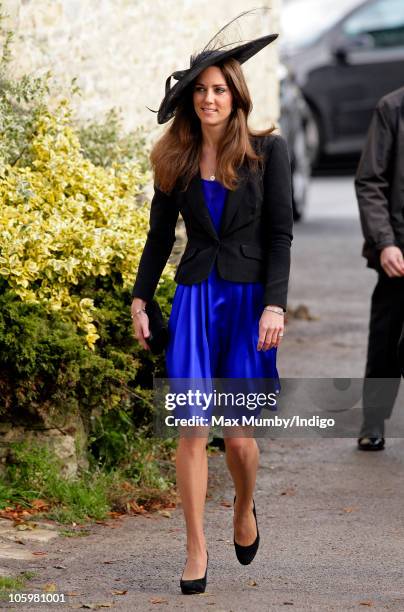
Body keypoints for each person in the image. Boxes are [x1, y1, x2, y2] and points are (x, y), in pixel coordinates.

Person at [131, 11, 293, 594]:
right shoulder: (173, 159)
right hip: (197, 299)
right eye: (199, 90)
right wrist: (141, 298)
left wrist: (275, 306)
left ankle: (244, 508)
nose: (209, 98)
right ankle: (195, 548)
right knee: (193, 430)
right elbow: (157, 239)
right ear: (189, 100)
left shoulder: (269, 154)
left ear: (236, 95)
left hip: (249, 303)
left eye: (218, 89)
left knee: (241, 439)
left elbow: (279, 236)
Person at [355, 86, 404, 451]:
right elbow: (371, 181)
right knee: (386, 340)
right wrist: (385, 242)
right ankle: (373, 420)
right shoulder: (391, 108)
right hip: (398, 250)